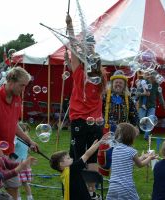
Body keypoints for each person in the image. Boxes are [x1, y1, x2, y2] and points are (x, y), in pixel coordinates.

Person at [66, 13, 106, 199]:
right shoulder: (101, 78)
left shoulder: (79, 72)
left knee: (77, 155)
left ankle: (77, 189)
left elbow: (73, 46)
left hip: (79, 121)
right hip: (96, 122)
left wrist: (70, 25)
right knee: (92, 157)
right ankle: (92, 192)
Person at [0, 67, 39, 200]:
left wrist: (29, 141)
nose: (23, 89)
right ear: (10, 81)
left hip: (10, 153)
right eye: (22, 85)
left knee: (14, 186)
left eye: (25, 85)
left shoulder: (17, 99)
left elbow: (14, 125)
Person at [98, 71, 139, 176]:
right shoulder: (104, 96)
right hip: (108, 128)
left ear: (124, 85)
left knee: (121, 154)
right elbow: (98, 110)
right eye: (116, 82)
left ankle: (118, 175)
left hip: (123, 131)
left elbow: (133, 113)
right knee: (105, 153)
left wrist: (136, 126)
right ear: (112, 83)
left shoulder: (128, 99)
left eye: (121, 83)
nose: (118, 84)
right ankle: (101, 175)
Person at [106, 123, 156, 200]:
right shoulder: (132, 151)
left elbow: (127, 163)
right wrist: (150, 158)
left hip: (113, 186)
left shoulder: (116, 149)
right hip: (126, 187)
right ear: (131, 138)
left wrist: (143, 156)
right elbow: (140, 164)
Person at [137, 75, 165, 139]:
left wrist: (164, 105)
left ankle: (146, 136)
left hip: (152, 106)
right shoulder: (143, 82)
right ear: (150, 77)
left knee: (151, 120)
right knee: (141, 119)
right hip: (142, 106)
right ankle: (139, 131)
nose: (155, 78)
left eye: (155, 77)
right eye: (153, 77)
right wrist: (143, 94)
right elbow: (137, 93)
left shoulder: (157, 85)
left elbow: (160, 96)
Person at [15, 123, 34, 200]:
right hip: (17, 165)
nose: (27, 133)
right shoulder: (16, 140)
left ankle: (30, 197)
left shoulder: (26, 142)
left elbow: (28, 151)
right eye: (26, 131)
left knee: (25, 183)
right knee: (17, 184)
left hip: (24, 165)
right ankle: (18, 198)